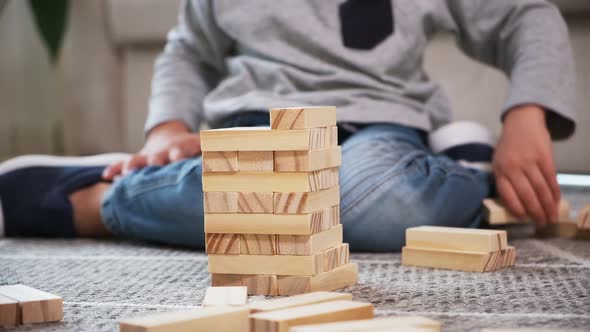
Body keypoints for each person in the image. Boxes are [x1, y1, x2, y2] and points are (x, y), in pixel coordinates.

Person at [0, 0, 576, 251]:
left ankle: (97, 200)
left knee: (379, 207)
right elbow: (188, 51)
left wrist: (527, 117)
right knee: (286, 205)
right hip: (253, 127)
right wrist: (166, 129)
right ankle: (140, 177)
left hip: (374, 127)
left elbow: (528, 15)